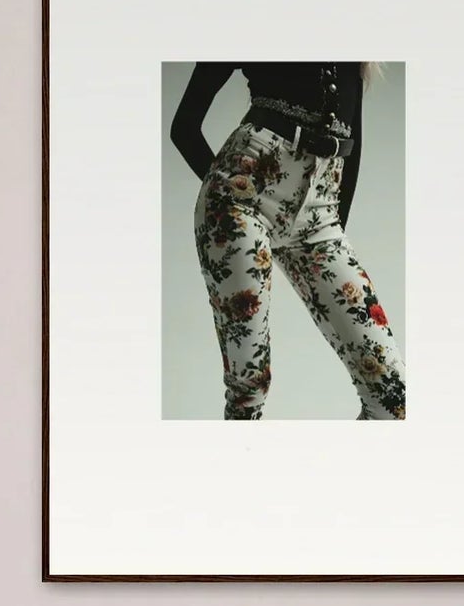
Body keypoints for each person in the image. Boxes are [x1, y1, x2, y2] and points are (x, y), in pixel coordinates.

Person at [170, 62, 405, 420]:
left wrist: (332, 227)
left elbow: (352, 144)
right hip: (242, 198)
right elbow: (184, 126)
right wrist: (228, 194)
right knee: (249, 387)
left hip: (320, 212)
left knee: (391, 393)